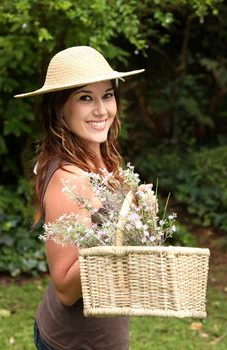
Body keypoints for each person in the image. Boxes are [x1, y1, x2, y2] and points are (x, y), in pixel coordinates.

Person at [15, 46, 144, 350]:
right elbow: (65, 289)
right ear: (60, 108)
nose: (101, 110)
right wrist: (120, 232)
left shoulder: (101, 159)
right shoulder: (70, 180)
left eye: (107, 95)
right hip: (76, 341)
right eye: (85, 97)